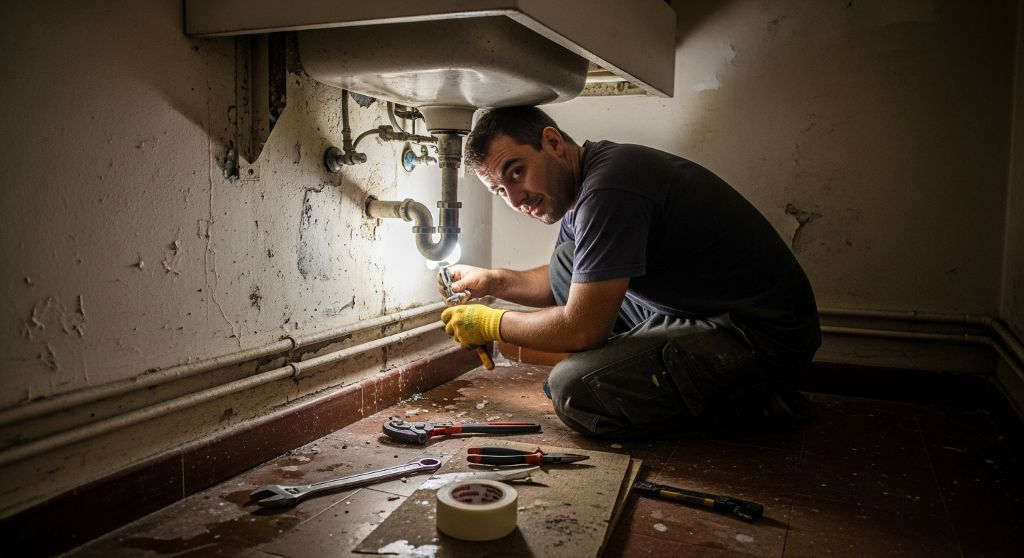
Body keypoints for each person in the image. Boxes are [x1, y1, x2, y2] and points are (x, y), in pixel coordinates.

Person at [440, 106, 821, 439]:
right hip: (706, 311)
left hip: (759, 337)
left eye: (517, 172)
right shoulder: (585, 182)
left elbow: (582, 328)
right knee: (566, 263)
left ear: (553, 142)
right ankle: (647, 365)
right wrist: (492, 282)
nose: (517, 199)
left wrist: (490, 324)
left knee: (574, 390)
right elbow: (564, 284)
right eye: (500, 191)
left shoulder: (611, 188)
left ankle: (758, 403)